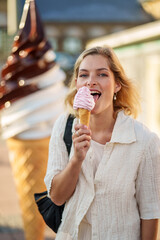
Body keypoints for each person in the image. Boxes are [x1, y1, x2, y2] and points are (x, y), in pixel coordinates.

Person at [44, 46, 160, 240]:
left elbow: (150, 213)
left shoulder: (144, 141)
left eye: (102, 74)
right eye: (84, 75)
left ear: (117, 85)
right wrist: (76, 159)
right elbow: (56, 197)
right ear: (76, 83)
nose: (91, 82)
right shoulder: (64, 126)